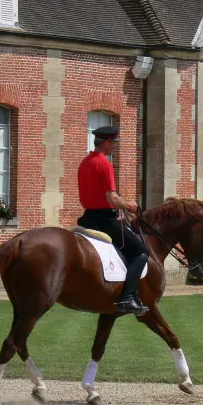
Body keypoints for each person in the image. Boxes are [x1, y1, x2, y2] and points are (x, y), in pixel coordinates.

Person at [77, 125, 149, 315]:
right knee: (141, 252)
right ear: (107, 143)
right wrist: (129, 205)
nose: (116, 146)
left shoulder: (85, 163)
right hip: (105, 220)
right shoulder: (105, 164)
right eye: (115, 143)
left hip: (87, 218)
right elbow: (111, 198)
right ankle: (127, 297)